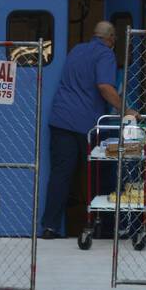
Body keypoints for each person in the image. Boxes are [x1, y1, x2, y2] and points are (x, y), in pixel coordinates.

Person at [39, 20, 132, 239]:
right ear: (110, 39)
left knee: (61, 174)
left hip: (61, 119)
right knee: (101, 174)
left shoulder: (77, 50)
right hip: (87, 124)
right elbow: (105, 87)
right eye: (115, 39)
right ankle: (107, 227)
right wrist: (126, 109)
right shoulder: (106, 55)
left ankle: (50, 227)